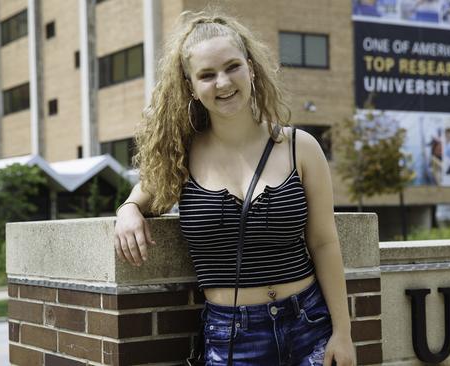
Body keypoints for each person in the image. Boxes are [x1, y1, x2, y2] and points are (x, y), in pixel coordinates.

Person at [113, 10, 355, 366]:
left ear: (251, 68)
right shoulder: (179, 156)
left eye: (232, 67)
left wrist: (343, 333)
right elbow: (139, 198)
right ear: (191, 87)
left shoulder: (299, 147)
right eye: (207, 75)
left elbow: (323, 241)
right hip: (232, 337)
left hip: (310, 325)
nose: (223, 83)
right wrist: (127, 211)